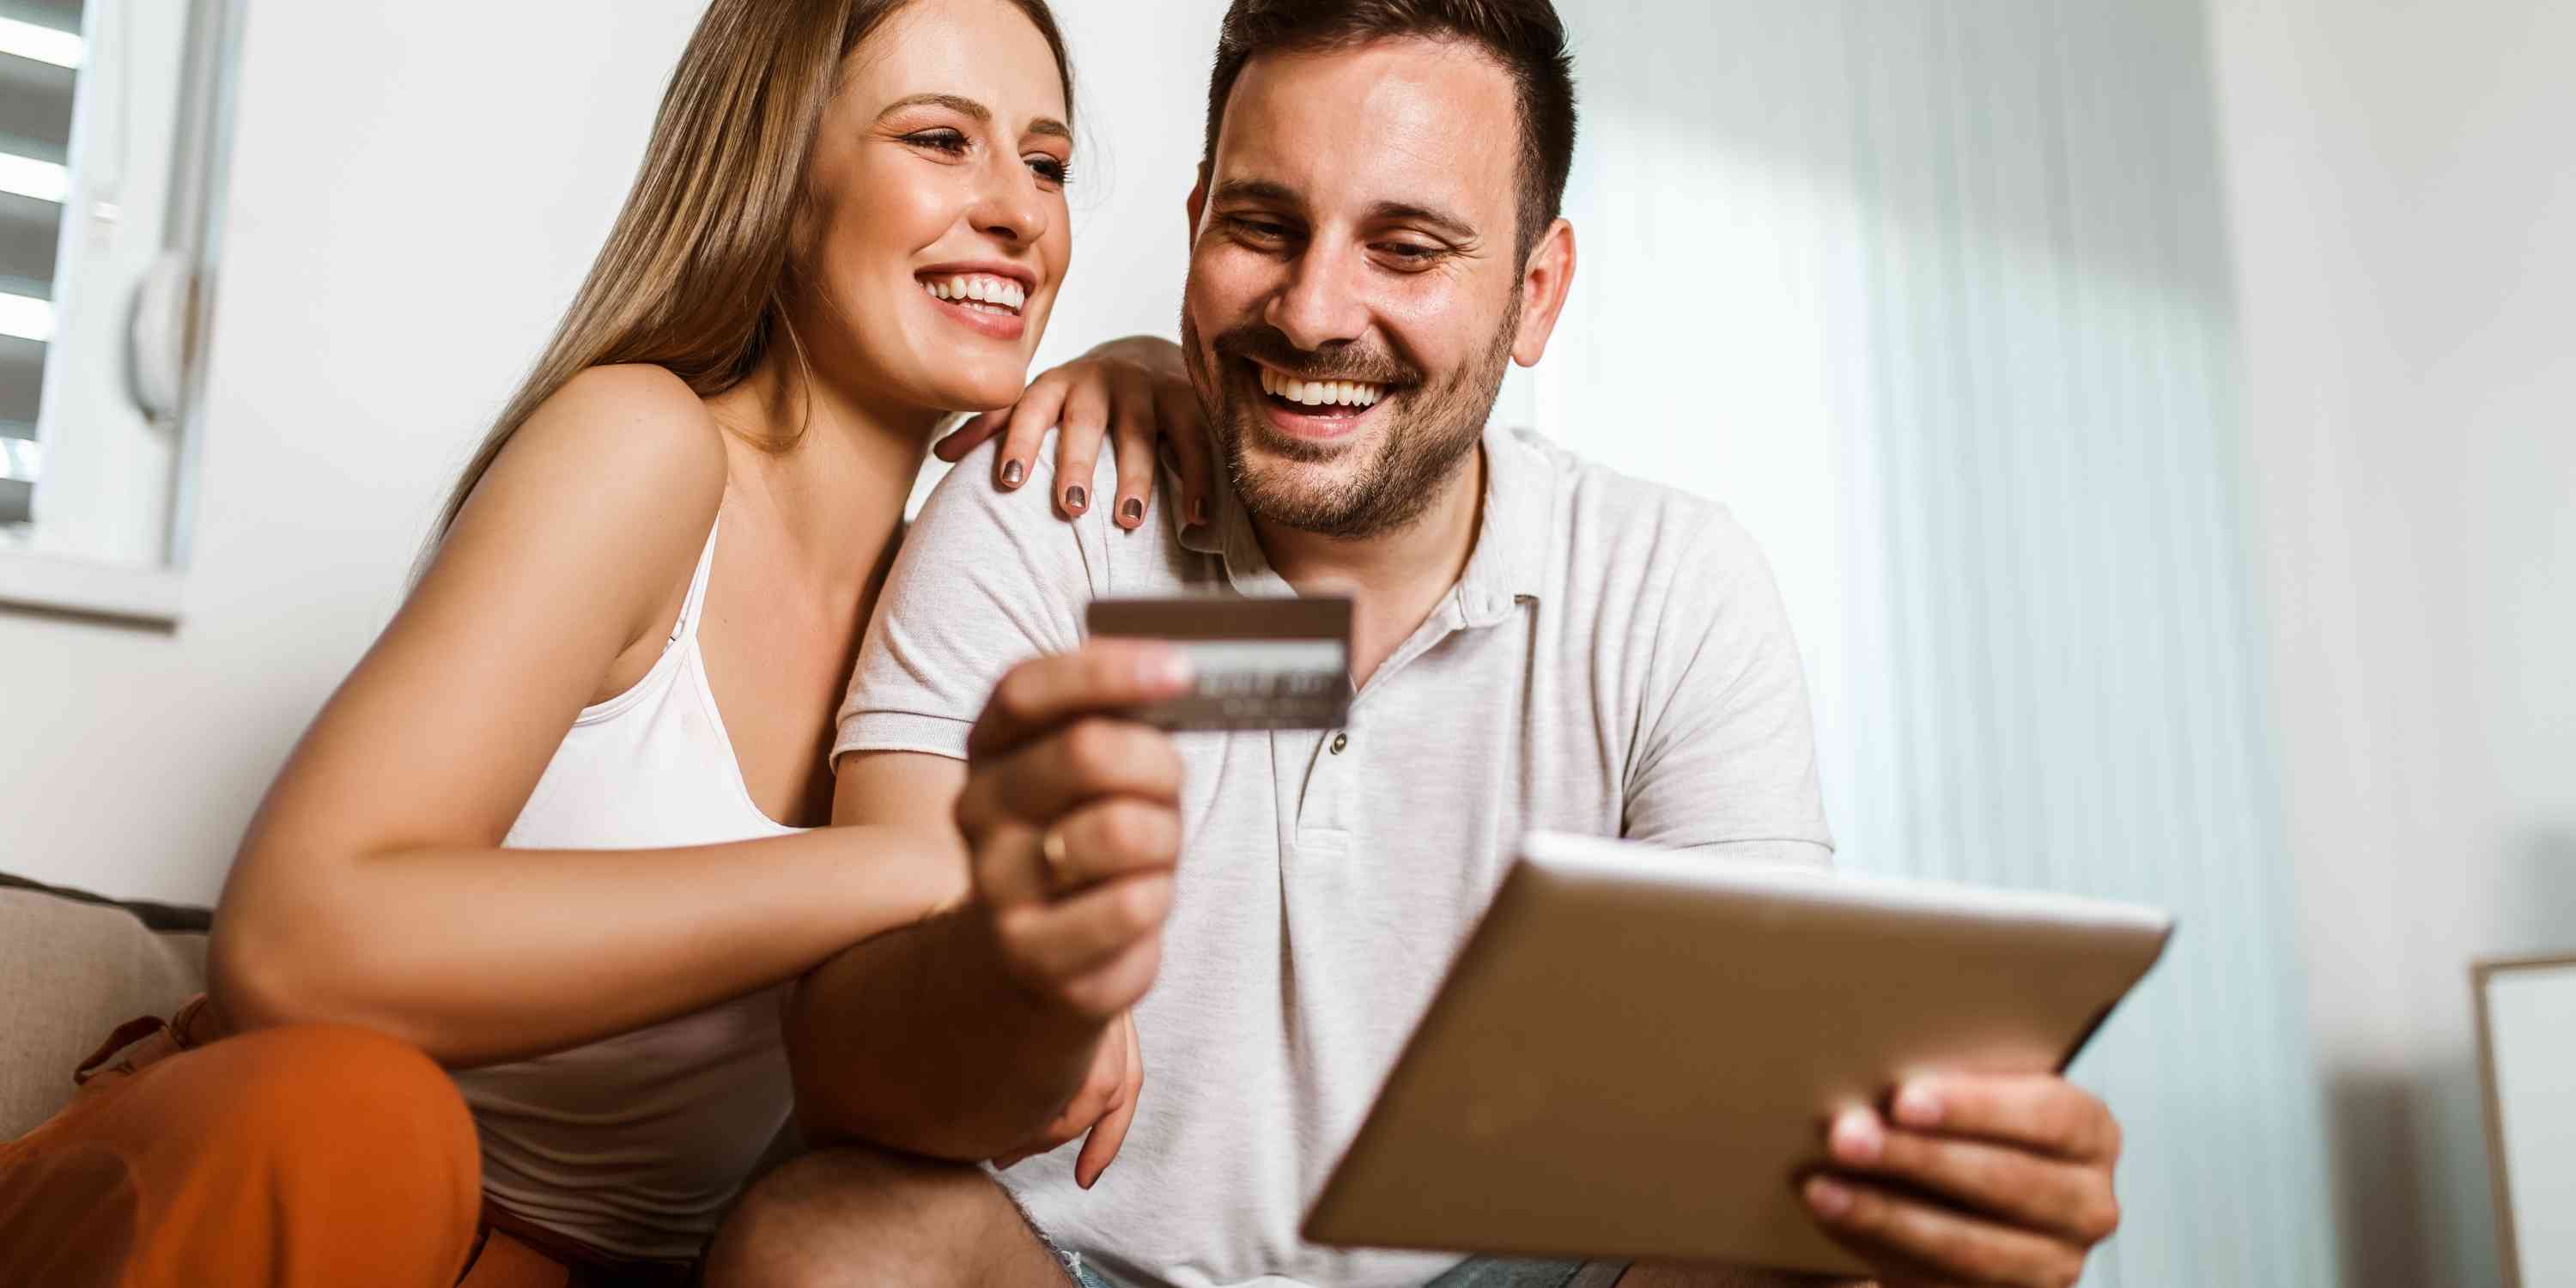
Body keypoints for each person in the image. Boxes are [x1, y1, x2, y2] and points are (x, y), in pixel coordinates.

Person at [743, 2, 2132, 1287]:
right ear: (1192, 229)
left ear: (1537, 293)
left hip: (1524, 1268)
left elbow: (1748, 1118)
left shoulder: (1668, 583)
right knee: (820, 1239)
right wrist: (1023, 973)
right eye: (1263, 226)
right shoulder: (1041, 510)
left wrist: (1934, 1204)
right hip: (1077, 1265)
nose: (1313, 311)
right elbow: (847, 1076)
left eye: (1406, 249)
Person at [0, 0, 1207, 1284]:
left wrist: (1171, 375)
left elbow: (1325, 662)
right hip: (265, 1200)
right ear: (780, 179)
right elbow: (295, 942)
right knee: (364, 1119)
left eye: (1047, 162)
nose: (1021, 209)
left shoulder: (968, 598)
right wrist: (913, 872)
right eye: (938, 140)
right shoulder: (643, 448)